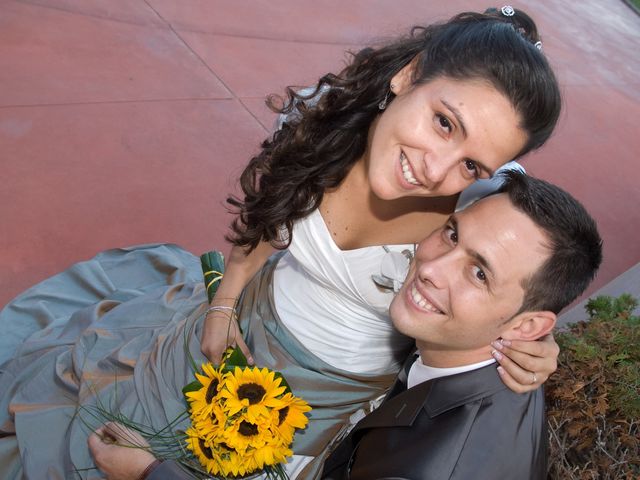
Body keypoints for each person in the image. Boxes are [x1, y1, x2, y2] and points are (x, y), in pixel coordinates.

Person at [0, 7, 562, 479]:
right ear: (407, 77)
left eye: (471, 162)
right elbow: (266, 219)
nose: (436, 170)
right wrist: (224, 302)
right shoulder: (325, 117)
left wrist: (528, 352)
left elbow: (509, 286)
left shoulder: (478, 211)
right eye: (444, 122)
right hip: (240, 325)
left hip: (326, 405)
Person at [87, 172, 602, 479]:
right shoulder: (498, 361)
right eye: (450, 234)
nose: (430, 266)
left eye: (479, 272)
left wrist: (150, 473)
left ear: (530, 323)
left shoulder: (428, 467)